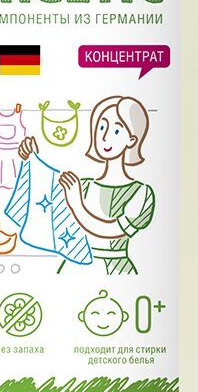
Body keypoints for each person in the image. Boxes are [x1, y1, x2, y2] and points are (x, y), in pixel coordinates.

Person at [18, 95, 155, 275]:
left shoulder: (140, 193)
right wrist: (32, 160)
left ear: (132, 140)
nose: (105, 137)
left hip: (116, 269)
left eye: (116, 131)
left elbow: (112, 230)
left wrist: (77, 205)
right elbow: (48, 214)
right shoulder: (84, 186)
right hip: (75, 268)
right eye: (101, 127)